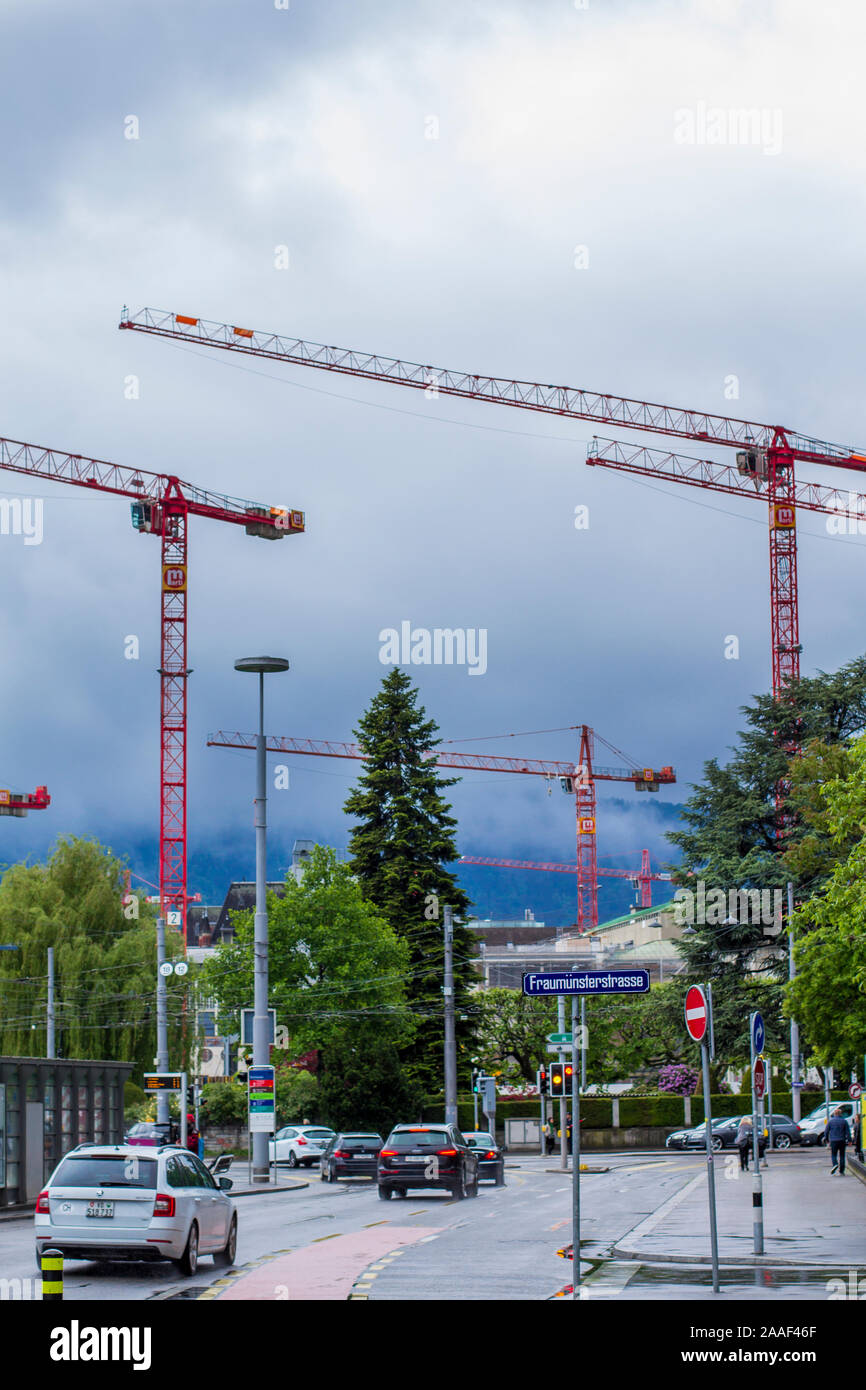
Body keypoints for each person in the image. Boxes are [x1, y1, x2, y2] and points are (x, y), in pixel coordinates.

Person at [825, 1107, 849, 1175]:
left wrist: (827, 1139)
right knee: (842, 1155)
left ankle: (835, 1164)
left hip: (833, 1140)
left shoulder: (830, 1121)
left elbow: (826, 1131)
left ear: (834, 1114)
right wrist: (849, 1140)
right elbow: (847, 1132)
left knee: (833, 1154)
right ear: (840, 1114)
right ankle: (841, 1170)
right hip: (842, 1140)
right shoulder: (844, 1121)